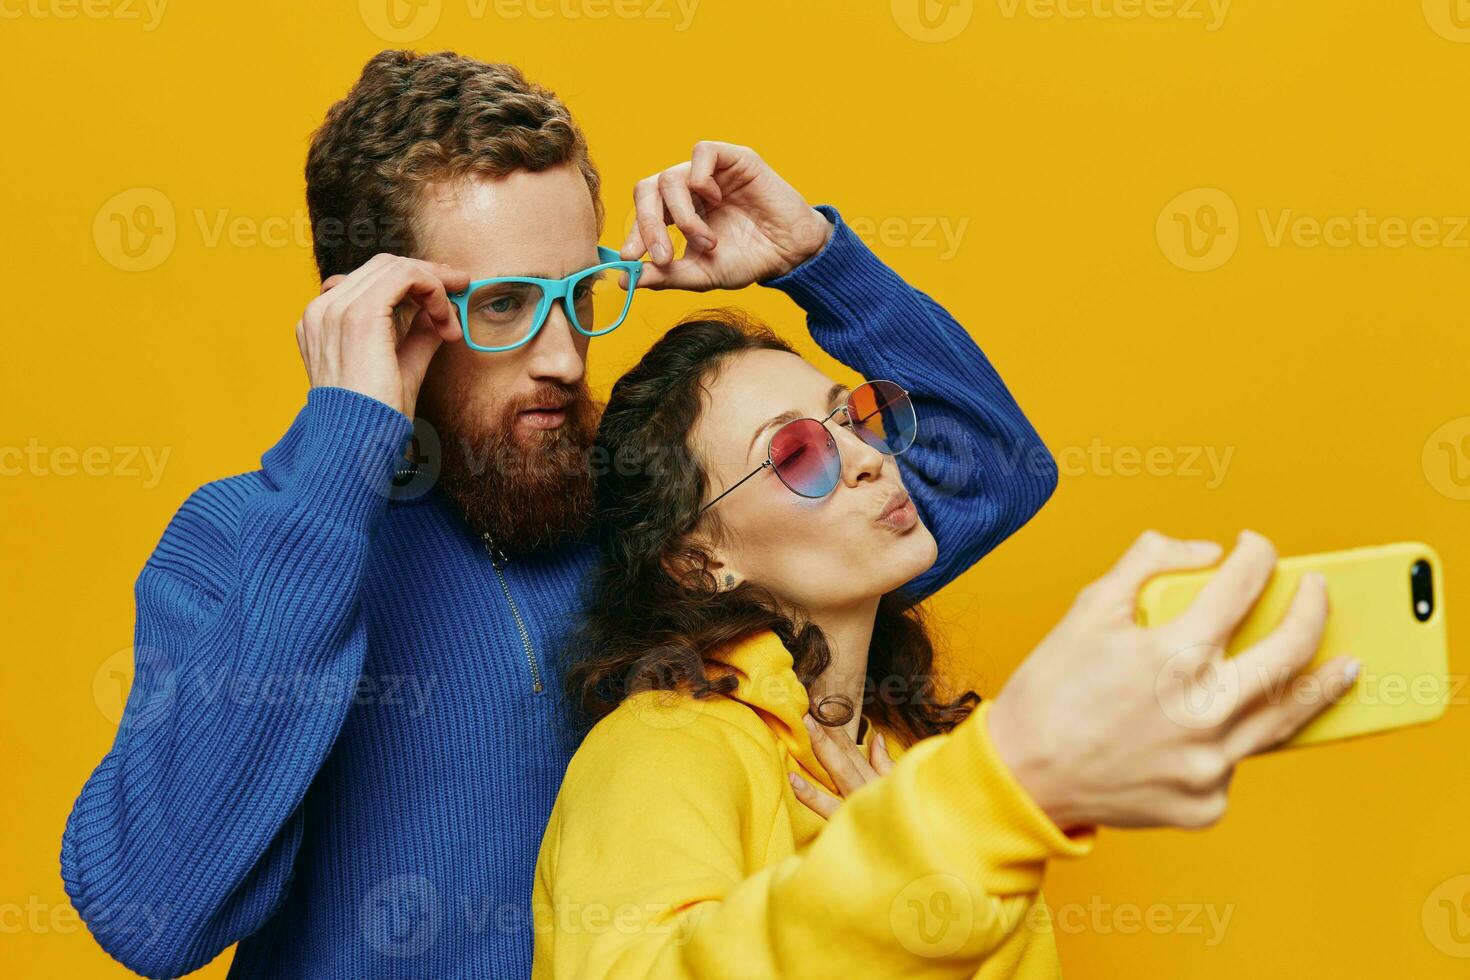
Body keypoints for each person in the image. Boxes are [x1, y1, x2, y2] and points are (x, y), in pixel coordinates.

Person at [61, 51, 1062, 978]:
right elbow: (155, 910)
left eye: (579, 293)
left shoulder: (655, 518)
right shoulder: (252, 535)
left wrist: (812, 260)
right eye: (503, 305)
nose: (564, 355)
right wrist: (339, 453)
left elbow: (988, 468)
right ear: (372, 307)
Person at [531, 312, 1362, 978]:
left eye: (849, 417)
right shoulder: (663, 745)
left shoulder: (907, 759)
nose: (867, 458)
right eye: (796, 455)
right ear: (700, 560)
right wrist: (896, 868)